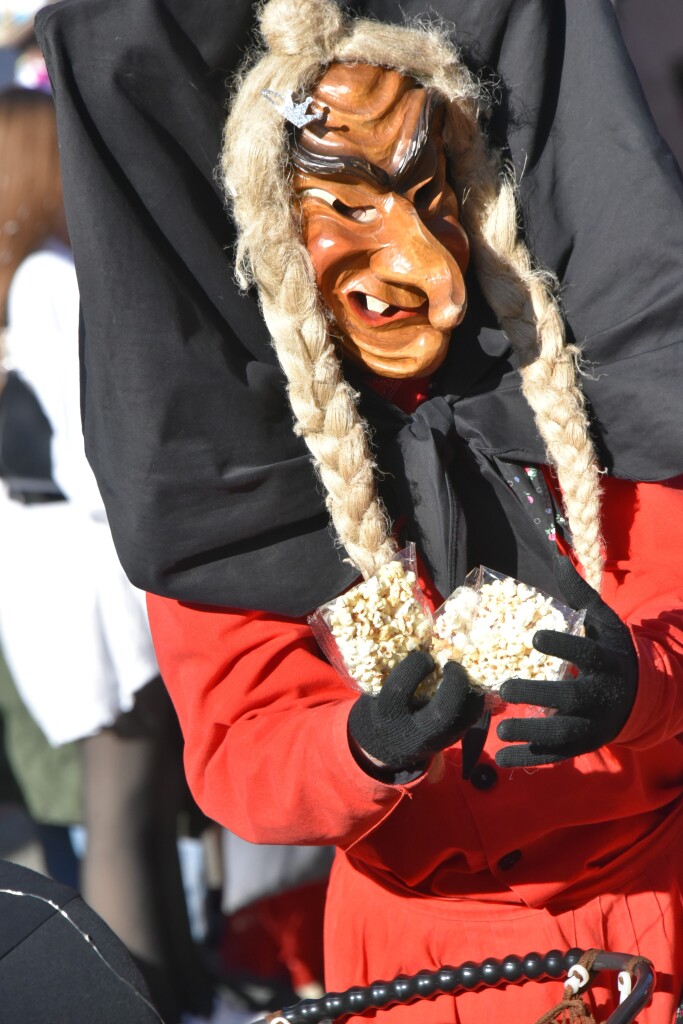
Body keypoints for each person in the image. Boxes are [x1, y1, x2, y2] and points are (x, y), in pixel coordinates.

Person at [34, 1, 683, 1024]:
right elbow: (236, 743)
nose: (427, 270)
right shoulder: (238, 471)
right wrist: (363, 744)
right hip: (413, 968)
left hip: (649, 924)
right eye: (348, 207)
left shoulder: (599, 387)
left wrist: (641, 687)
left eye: (429, 197)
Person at [0, 84, 217, 1024]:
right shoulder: (49, 275)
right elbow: (91, 460)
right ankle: (152, 1006)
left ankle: (175, 1000)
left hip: (45, 580)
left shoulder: (19, 275)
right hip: (90, 581)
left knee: (121, 812)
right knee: (125, 814)